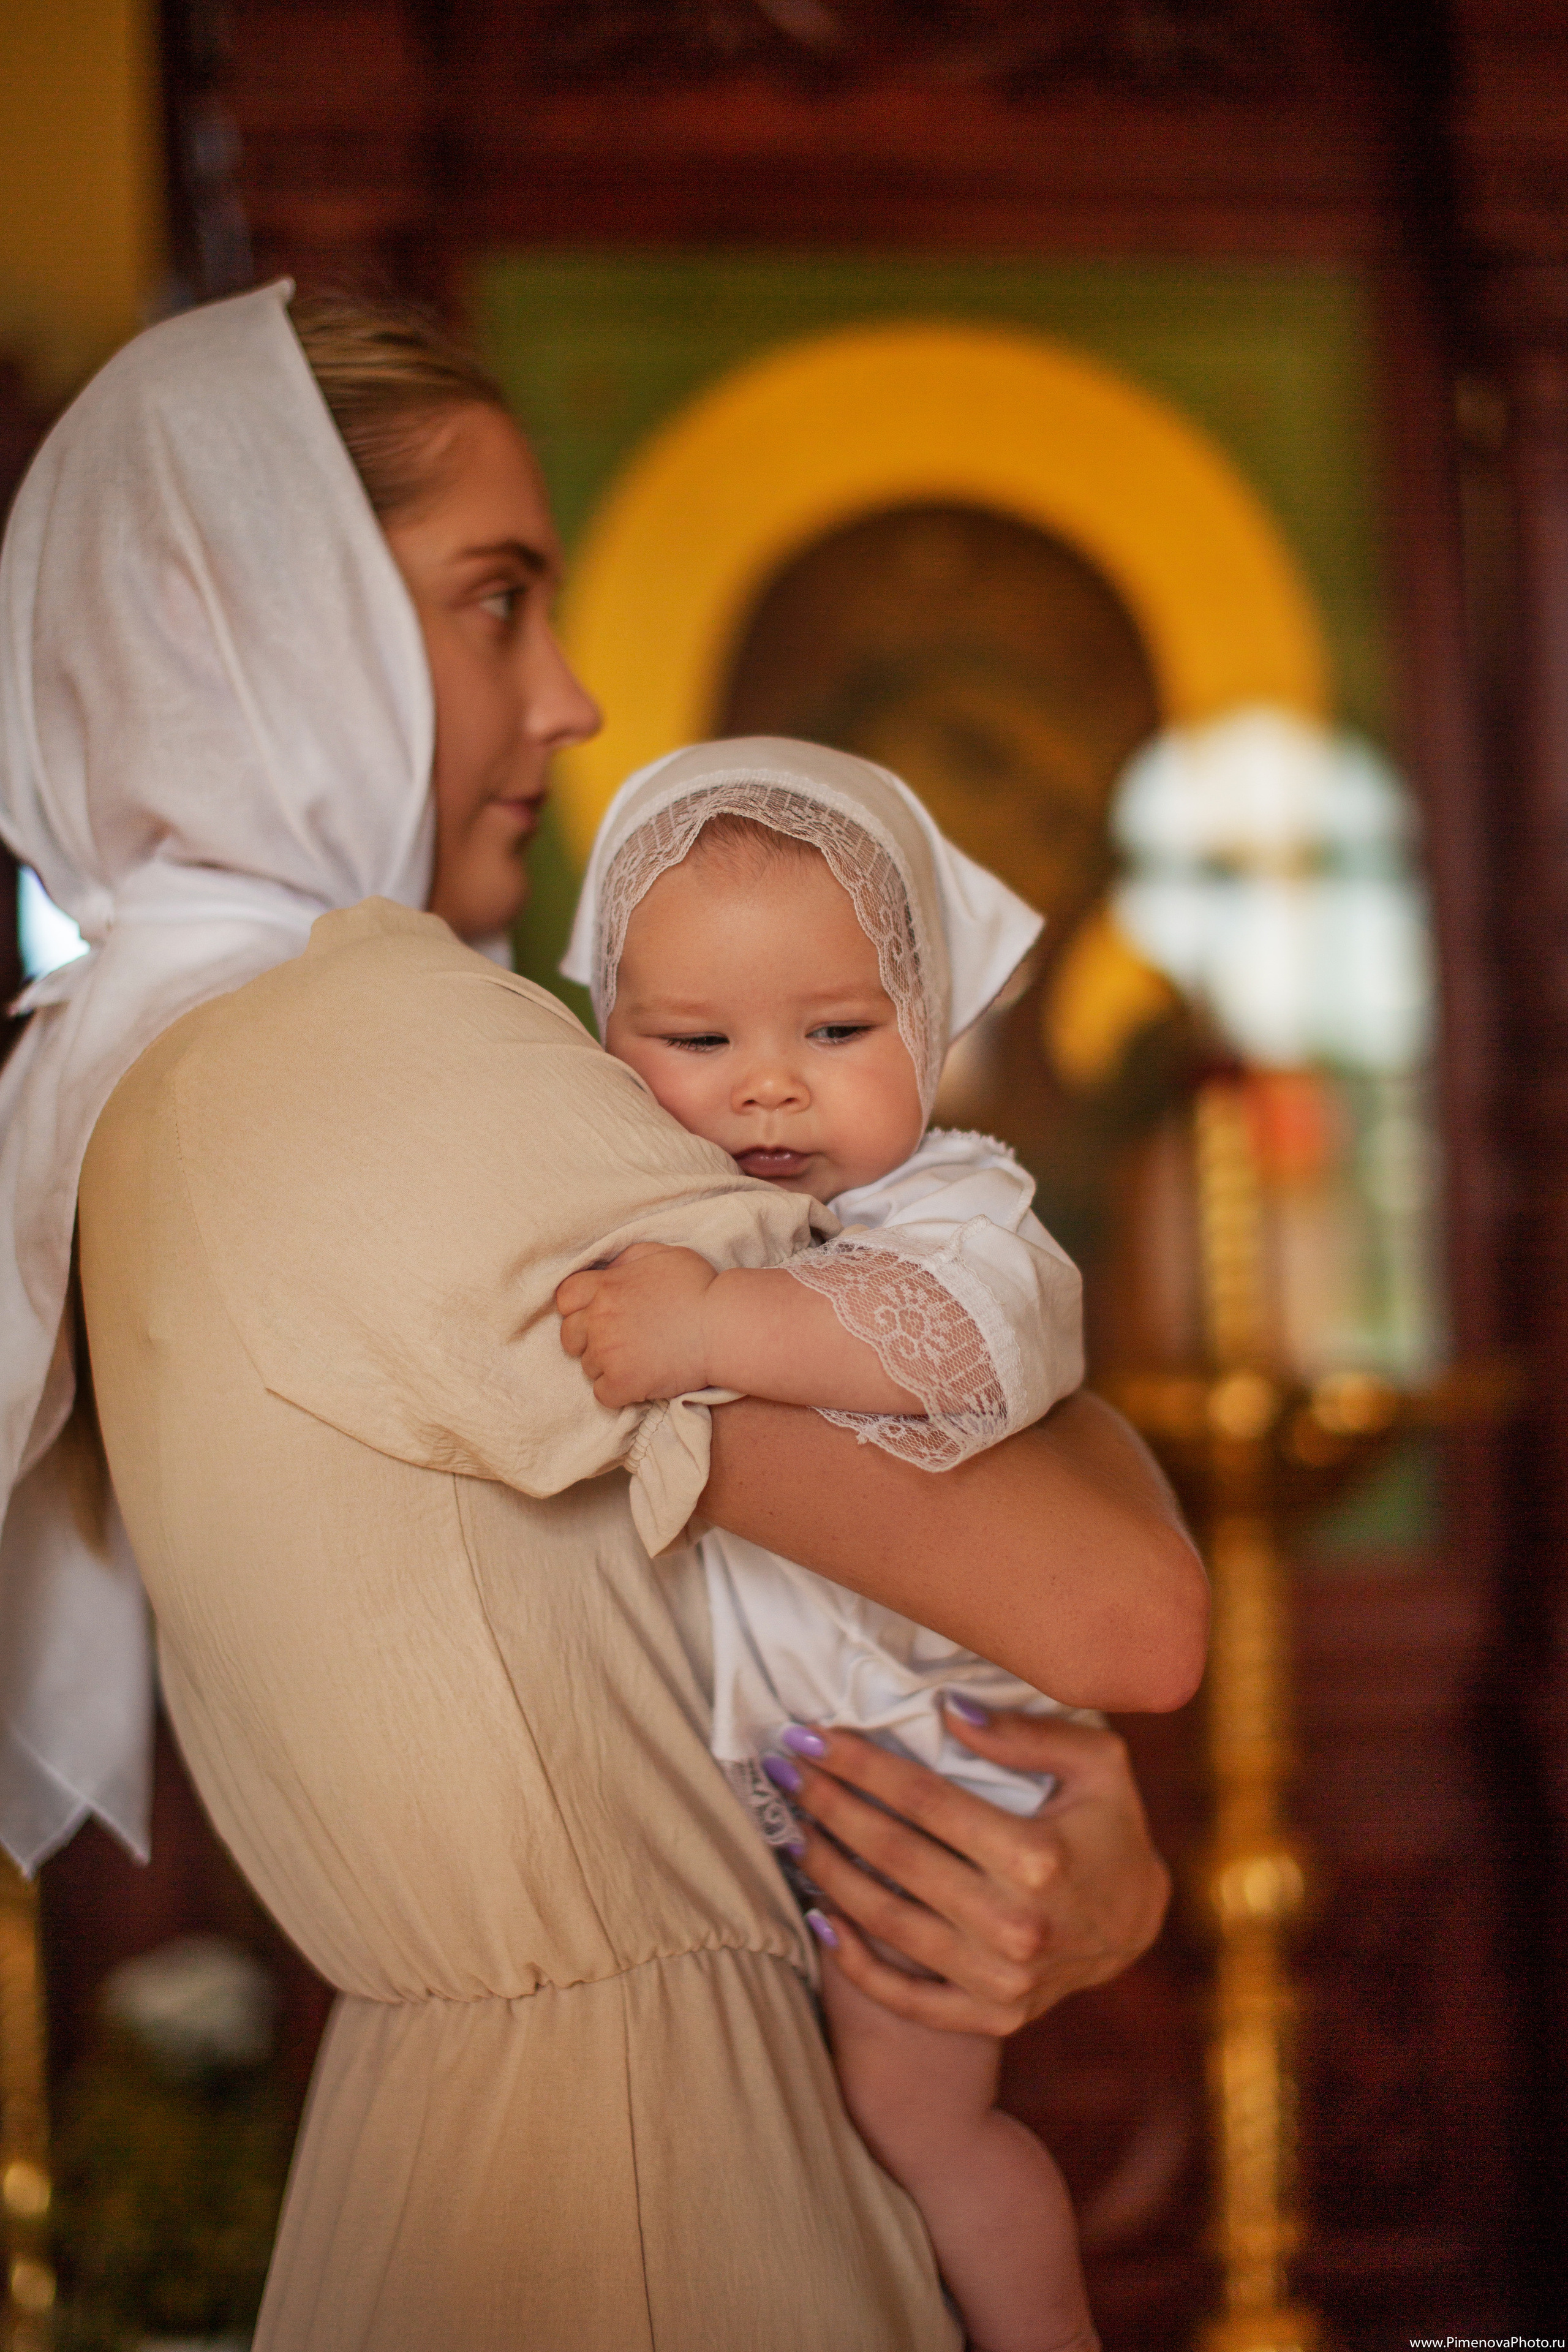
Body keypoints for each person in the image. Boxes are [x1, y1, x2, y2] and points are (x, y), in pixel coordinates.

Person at [0, 284, 1204, 2347]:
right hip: (664, 2191)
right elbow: (1123, 1610)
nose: (565, 702)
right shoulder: (373, 1054)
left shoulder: (148, 1077)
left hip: (494, 2155)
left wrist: (1024, 1873)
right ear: (269, 623)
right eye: (496, 605)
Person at [554, 737, 1154, 2352]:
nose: (768, 1082)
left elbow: (962, 1349)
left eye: (837, 1030)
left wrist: (713, 1327)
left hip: (923, 1763)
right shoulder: (642, 1215)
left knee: (917, 2125)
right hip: (752, 1772)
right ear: (610, 1038)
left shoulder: (960, 1216)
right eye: (697, 1037)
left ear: (934, 1025)